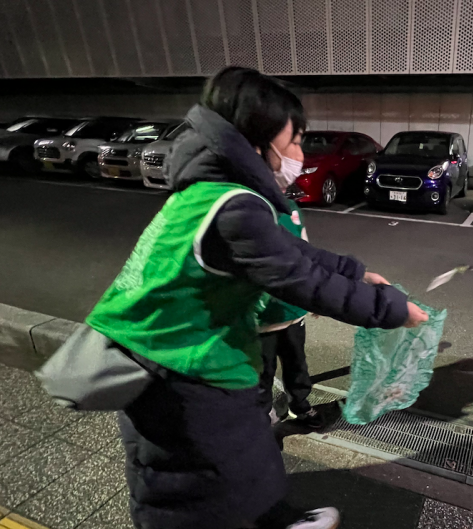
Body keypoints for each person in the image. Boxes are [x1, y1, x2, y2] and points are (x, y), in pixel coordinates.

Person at [85, 66, 428, 529]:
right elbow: (299, 278)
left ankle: (276, 517)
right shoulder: (234, 206)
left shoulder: (215, 191)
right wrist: (392, 309)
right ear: (258, 141)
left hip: (184, 356)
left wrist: (356, 271)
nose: (300, 154)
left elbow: (292, 251)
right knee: (190, 485)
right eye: (295, 141)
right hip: (178, 368)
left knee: (236, 460)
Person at [255, 107, 383, 429]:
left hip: (292, 312)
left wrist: (315, 300)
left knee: (298, 365)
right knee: (261, 372)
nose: (300, 156)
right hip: (260, 319)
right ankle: (262, 418)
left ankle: (301, 405)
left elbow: (308, 254)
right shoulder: (250, 211)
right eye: (294, 145)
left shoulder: (291, 208)